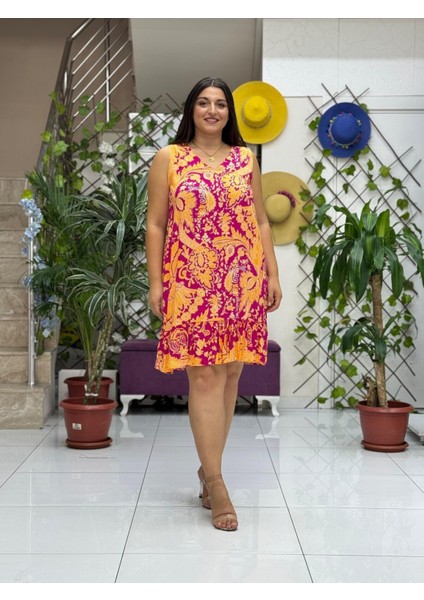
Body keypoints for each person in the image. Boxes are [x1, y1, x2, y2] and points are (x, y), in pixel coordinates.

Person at [146, 76, 282, 531]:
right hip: (190, 281)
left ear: (229, 113)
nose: (212, 110)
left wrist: (272, 274)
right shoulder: (169, 158)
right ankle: (219, 484)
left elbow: (260, 221)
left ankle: (208, 471)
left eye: (220, 104)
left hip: (241, 281)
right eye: (203, 102)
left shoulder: (246, 159)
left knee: (230, 375)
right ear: (191, 110)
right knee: (204, 376)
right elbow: (155, 225)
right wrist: (156, 283)